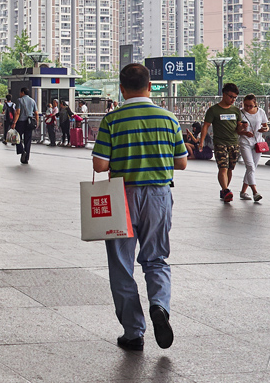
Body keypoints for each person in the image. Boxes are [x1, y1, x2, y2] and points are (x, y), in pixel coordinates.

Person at [93, 63, 185, 352]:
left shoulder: (112, 119)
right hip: (159, 195)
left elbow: (100, 165)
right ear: (149, 85)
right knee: (156, 259)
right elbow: (181, 162)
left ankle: (133, 332)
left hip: (122, 196)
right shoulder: (168, 118)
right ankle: (159, 306)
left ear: (122, 88)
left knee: (122, 265)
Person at [199, 83, 243, 203]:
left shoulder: (236, 110)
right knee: (223, 167)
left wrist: (244, 129)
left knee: (230, 169)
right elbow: (206, 126)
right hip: (220, 143)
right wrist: (201, 141)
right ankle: (225, 189)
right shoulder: (213, 110)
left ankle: (224, 190)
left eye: (235, 98)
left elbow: (239, 127)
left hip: (234, 142)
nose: (233, 100)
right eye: (231, 96)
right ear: (224, 94)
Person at [238, 94, 268, 202]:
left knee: (252, 168)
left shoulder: (261, 112)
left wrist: (264, 129)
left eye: (250, 106)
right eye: (245, 105)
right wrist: (244, 130)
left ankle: (243, 191)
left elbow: (266, 125)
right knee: (250, 166)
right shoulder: (240, 113)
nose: (247, 108)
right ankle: (255, 192)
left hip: (258, 142)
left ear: (255, 104)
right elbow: (237, 130)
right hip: (245, 141)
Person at [12, 87, 39, 164]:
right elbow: (36, 113)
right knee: (28, 140)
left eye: (20, 92)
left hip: (21, 122)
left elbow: (17, 112)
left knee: (17, 137)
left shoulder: (19, 100)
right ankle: (26, 159)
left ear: (22, 92)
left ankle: (21, 150)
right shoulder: (32, 101)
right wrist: (37, 122)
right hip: (29, 122)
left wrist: (14, 122)